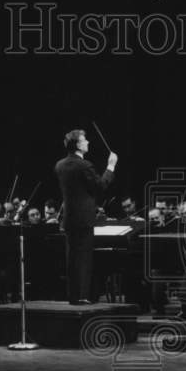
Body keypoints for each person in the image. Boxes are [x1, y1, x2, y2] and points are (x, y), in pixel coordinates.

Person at [54, 128, 117, 305]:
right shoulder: (84, 165)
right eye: (85, 140)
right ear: (78, 145)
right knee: (84, 260)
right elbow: (100, 186)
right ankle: (83, 296)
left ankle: (73, 296)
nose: (88, 142)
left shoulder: (59, 165)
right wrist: (111, 166)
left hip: (69, 218)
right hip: (84, 219)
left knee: (71, 259)